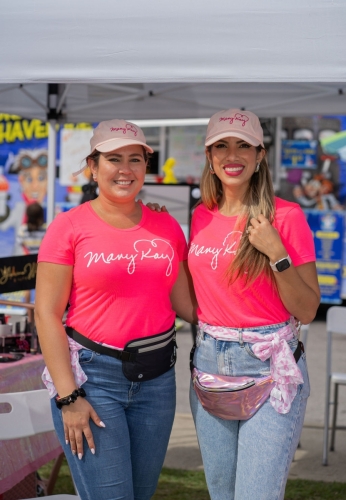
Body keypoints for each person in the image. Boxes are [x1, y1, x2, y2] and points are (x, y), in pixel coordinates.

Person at [35, 119, 197, 500]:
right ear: (93, 166)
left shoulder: (167, 226)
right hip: (94, 381)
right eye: (114, 159)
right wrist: (69, 397)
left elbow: (188, 304)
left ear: (146, 166)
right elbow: (45, 314)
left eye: (135, 159)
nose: (125, 169)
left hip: (157, 382)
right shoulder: (68, 226)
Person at [188, 109, 320, 500]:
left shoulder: (287, 216)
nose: (233, 155)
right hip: (210, 365)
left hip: (270, 365)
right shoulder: (200, 216)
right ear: (209, 157)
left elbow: (308, 309)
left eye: (243, 145)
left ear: (260, 154)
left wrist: (277, 252)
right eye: (222, 146)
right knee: (222, 493)